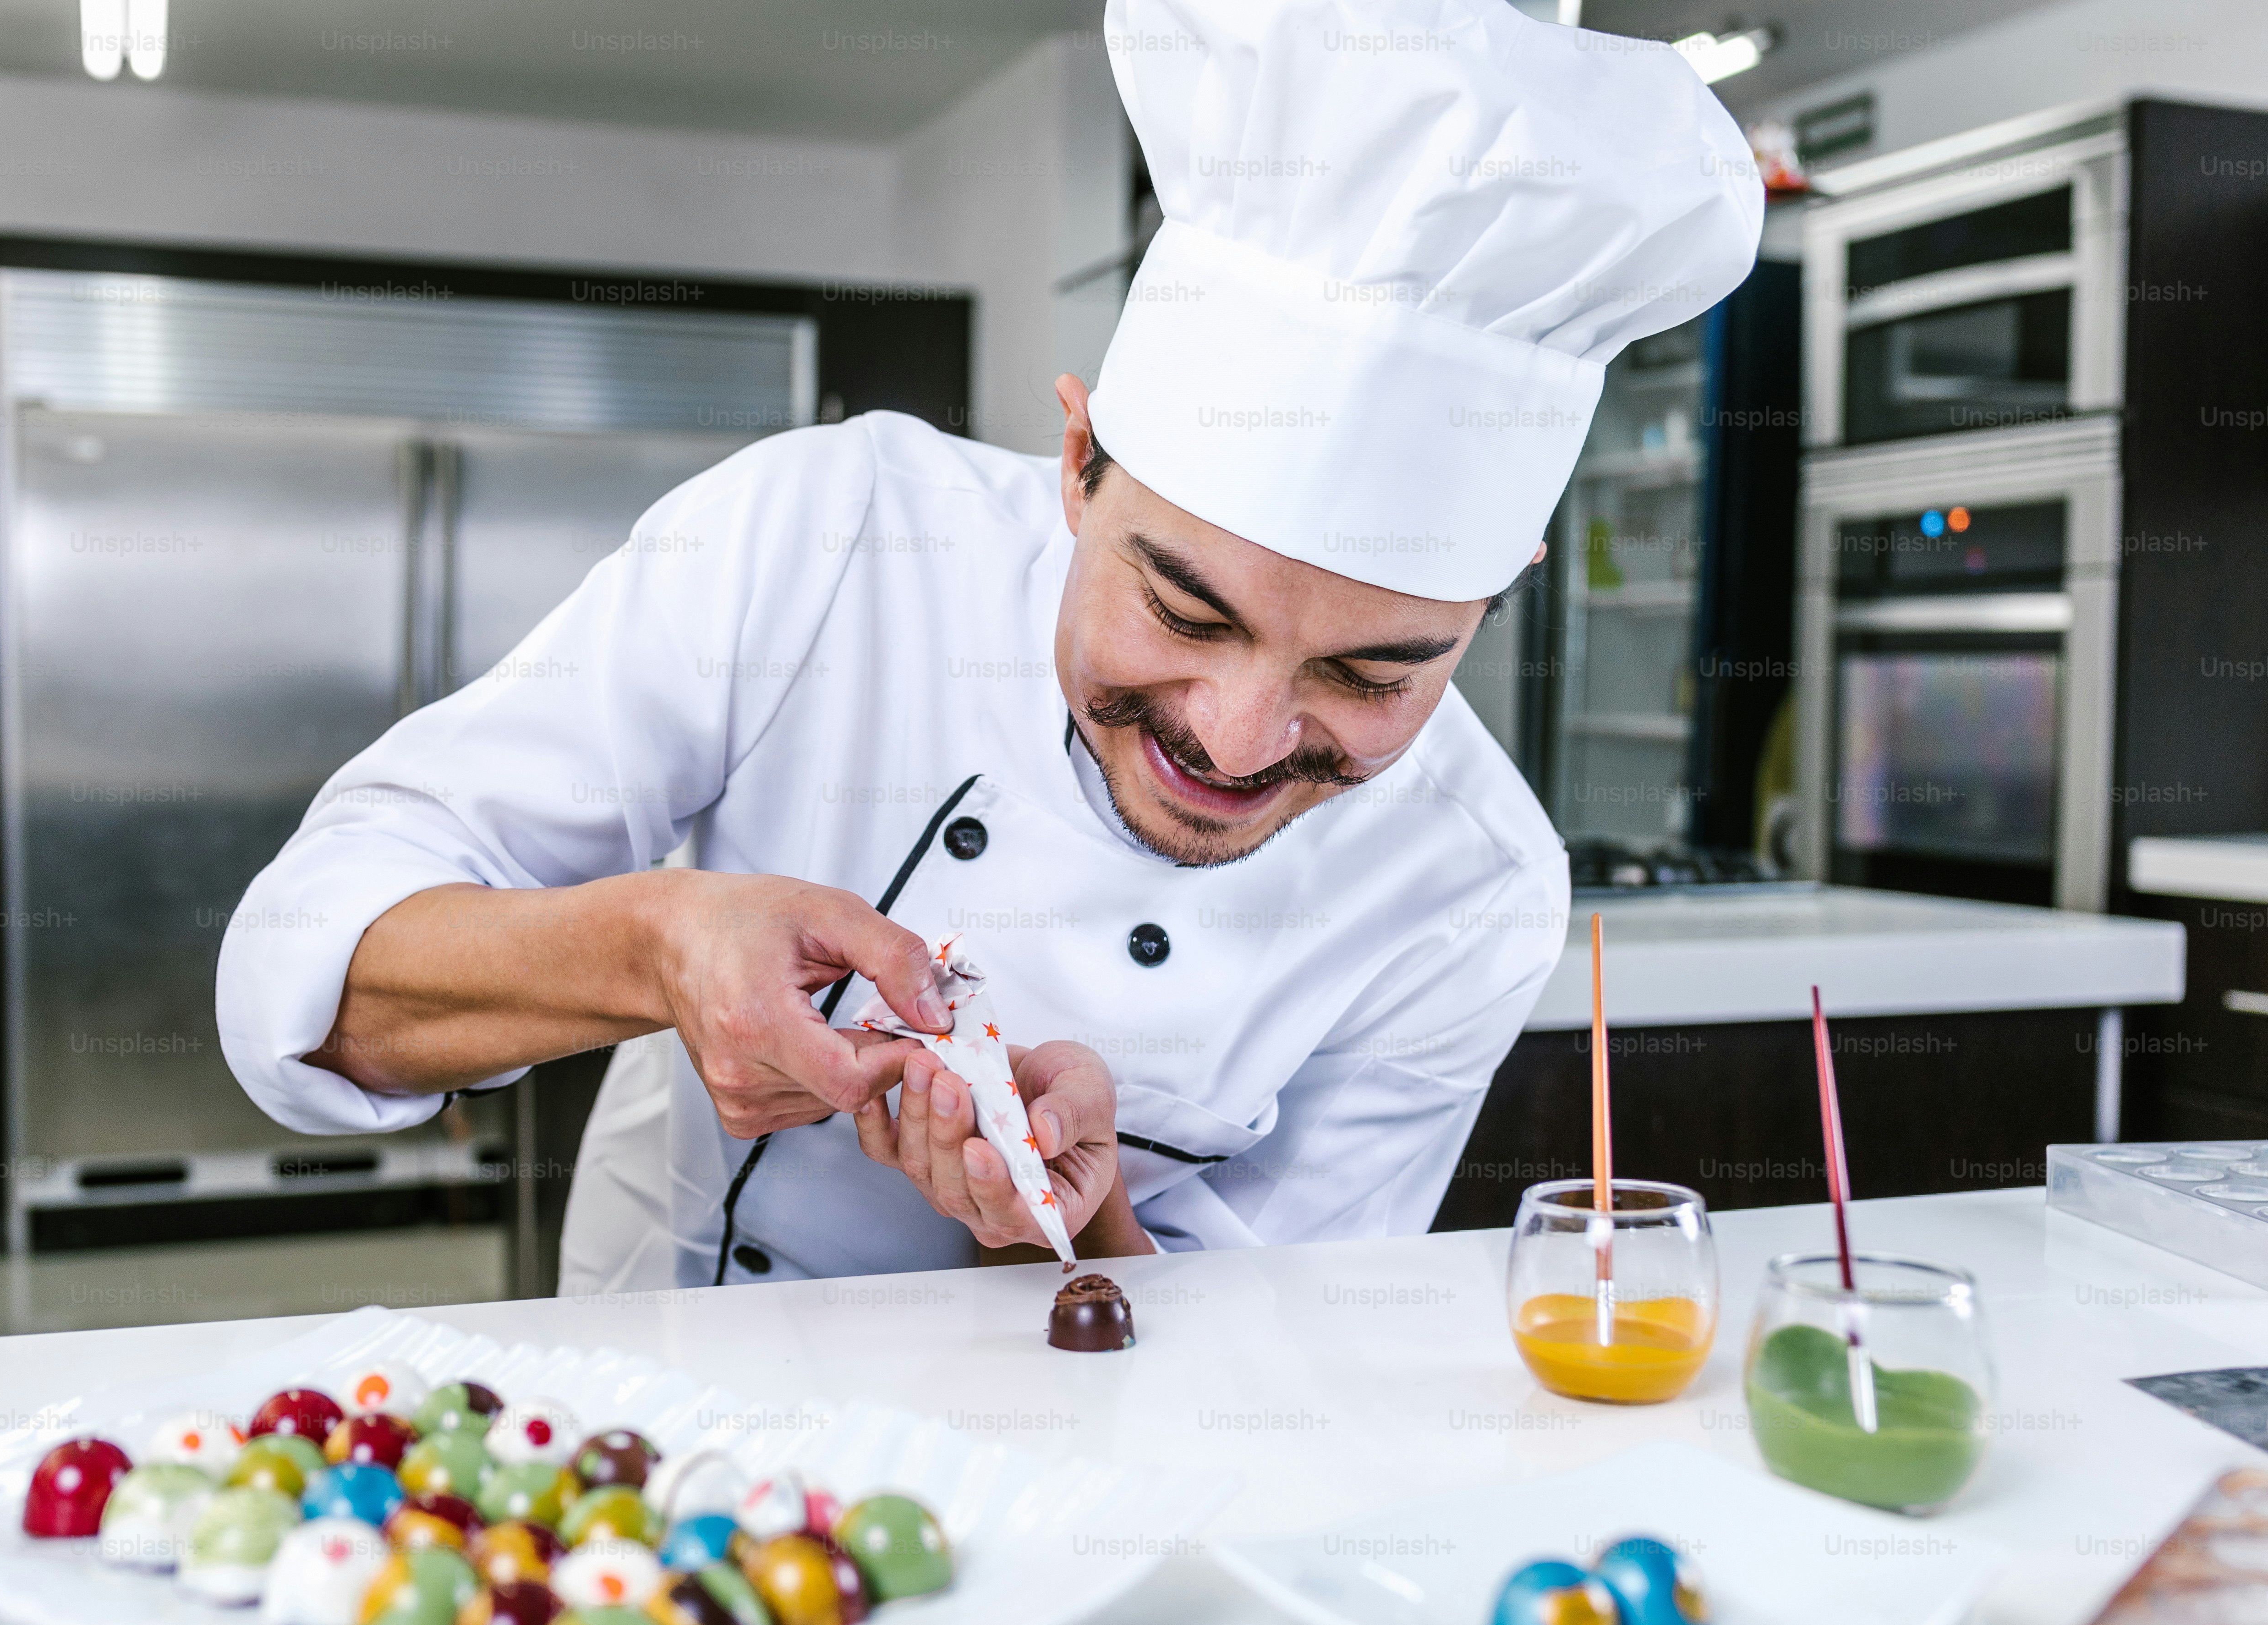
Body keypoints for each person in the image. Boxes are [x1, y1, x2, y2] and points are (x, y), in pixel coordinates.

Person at [216, 0, 1761, 1289]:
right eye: (1183, 608)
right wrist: (658, 945)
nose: (1235, 739)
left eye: (1373, 673)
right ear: (1076, 461)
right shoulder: (832, 534)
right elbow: (305, 976)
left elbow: (1267, 1375)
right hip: (660, 1411)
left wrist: (1064, 1212)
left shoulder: (1474, 886)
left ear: (1498, 602)